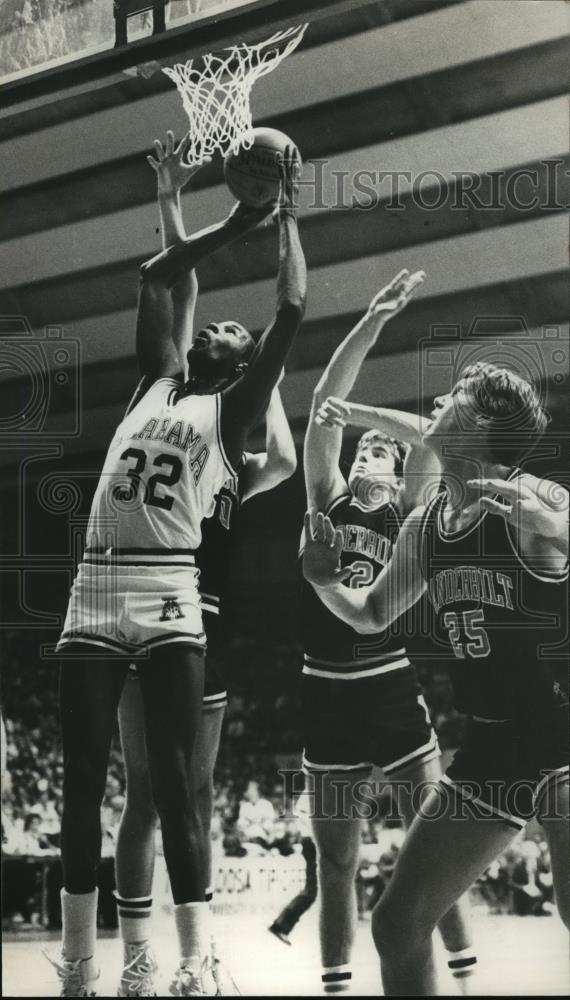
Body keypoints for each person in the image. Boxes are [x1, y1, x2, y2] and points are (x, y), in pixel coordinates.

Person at [50, 131, 306, 997]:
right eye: (212, 330)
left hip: (179, 597)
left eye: (232, 334)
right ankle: (96, 962)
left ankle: (191, 958)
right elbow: (170, 284)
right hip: (102, 581)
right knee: (105, 787)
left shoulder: (243, 426)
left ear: (241, 370)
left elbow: (280, 335)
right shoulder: (157, 382)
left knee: (173, 792)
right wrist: (198, 209)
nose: (219, 329)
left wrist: (279, 222)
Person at [304, 342, 569, 994]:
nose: (438, 403)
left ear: (477, 428)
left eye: (455, 398)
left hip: (562, 731)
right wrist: (322, 582)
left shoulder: (524, 495)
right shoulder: (425, 528)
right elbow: (369, 615)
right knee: (397, 924)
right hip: (492, 745)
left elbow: (562, 516)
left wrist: (561, 525)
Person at [301, 269, 474, 994]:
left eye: (384, 448)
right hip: (327, 696)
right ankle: (338, 981)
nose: (372, 448)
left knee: (427, 850)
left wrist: (411, 438)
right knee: (335, 860)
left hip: (391, 693)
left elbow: (432, 443)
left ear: (400, 470)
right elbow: (322, 410)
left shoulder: (408, 512)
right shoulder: (326, 497)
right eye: (363, 445)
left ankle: (463, 973)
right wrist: (371, 319)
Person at [268, 787, 318, 945]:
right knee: (311, 890)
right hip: (313, 841)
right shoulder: (315, 791)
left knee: (313, 890)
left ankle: (282, 925)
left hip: (309, 840)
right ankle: (281, 925)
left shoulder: (309, 793)